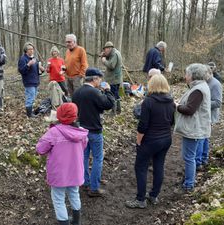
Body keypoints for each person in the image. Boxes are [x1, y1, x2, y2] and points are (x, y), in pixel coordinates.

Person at [125, 74, 175, 209]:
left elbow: (143, 125)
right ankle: (154, 195)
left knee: (140, 167)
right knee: (159, 166)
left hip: (150, 140)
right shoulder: (171, 101)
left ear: (151, 85)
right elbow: (172, 122)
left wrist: (138, 141)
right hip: (166, 139)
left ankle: (140, 199)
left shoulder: (148, 101)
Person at [36, 103, 88, 225]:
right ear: (75, 117)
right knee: (74, 194)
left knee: (58, 199)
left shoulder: (53, 132)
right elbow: (83, 147)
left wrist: (51, 129)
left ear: (58, 116)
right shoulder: (81, 133)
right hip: (75, 171)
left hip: (58, 173)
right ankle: (76, 221)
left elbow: (40, 149)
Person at [72, 68, 115, 197]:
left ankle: (85, 182)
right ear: (95, 79)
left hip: (80, 130)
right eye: (99, 78)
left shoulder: (77, 92)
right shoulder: (94, 92)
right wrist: (107, 90)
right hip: (94, 130)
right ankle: (94, 188)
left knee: (84, 157)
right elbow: (108, 104)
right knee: (97, 158)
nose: (101, 81)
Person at [174, 63, 211, 192]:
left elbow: (189, 109)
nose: (185, 76)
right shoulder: (200, 87)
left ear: (193, 75)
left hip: (194, 129)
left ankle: (188, 185)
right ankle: (188, 181)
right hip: (197, 127)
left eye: (187, 74)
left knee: (189, 157)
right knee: (190, 156)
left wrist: (177, 106)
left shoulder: (198, 90)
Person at [196, 65, 223, 170]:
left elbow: (218, 103)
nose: (202, 76)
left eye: (204, 74)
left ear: (209, 73)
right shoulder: (205, 82)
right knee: (204, 137)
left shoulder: (216, 84)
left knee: (202, 137)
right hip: (203, 115)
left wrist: (202, 103)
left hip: (209, 116)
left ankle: (201, 160)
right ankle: (203, 158)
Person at [18, 42, 44, 117]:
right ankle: (29, 115)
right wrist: (28, 64)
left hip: (36, 81)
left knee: (33, 97)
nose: (31, 51)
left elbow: (38, 71)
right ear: (26, 50)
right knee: (30, 97)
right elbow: (21, 71)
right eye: (29, 49)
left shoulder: (34, 58)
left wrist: (42, 69)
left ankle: (30, 111)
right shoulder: (23, 59)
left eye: (32, 49)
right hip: (28, 82)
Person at [100, 41, 123, 114]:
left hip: (113, 79)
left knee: (113, 95)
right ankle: (117, 110)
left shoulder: (115, 54)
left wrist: (104, 60)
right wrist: (104, 56)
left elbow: (111, 65)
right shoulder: (113, 53)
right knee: (115, 94)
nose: (104, 50)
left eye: (105, 49)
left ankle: (114, 111)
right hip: (111, 78)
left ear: (109, 48)